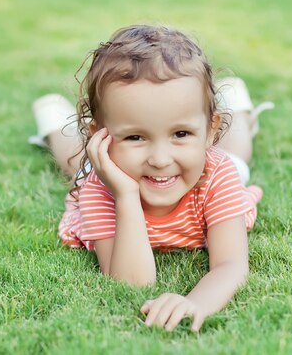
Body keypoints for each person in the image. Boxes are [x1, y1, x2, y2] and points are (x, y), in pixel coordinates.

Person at [29, 25, 273, 332]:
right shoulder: (99, 190)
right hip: (109, 174)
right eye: (134, 137)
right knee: (76, 162)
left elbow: (231, 264)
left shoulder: (217, 175)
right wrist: (126, 195)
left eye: (181, 133)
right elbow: (133, 283)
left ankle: (238, 106)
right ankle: (54, 119)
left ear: (210, 130)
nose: (160, 159)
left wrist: (197, 302)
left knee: (236, 155)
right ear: (100, 137)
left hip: (211, 166)